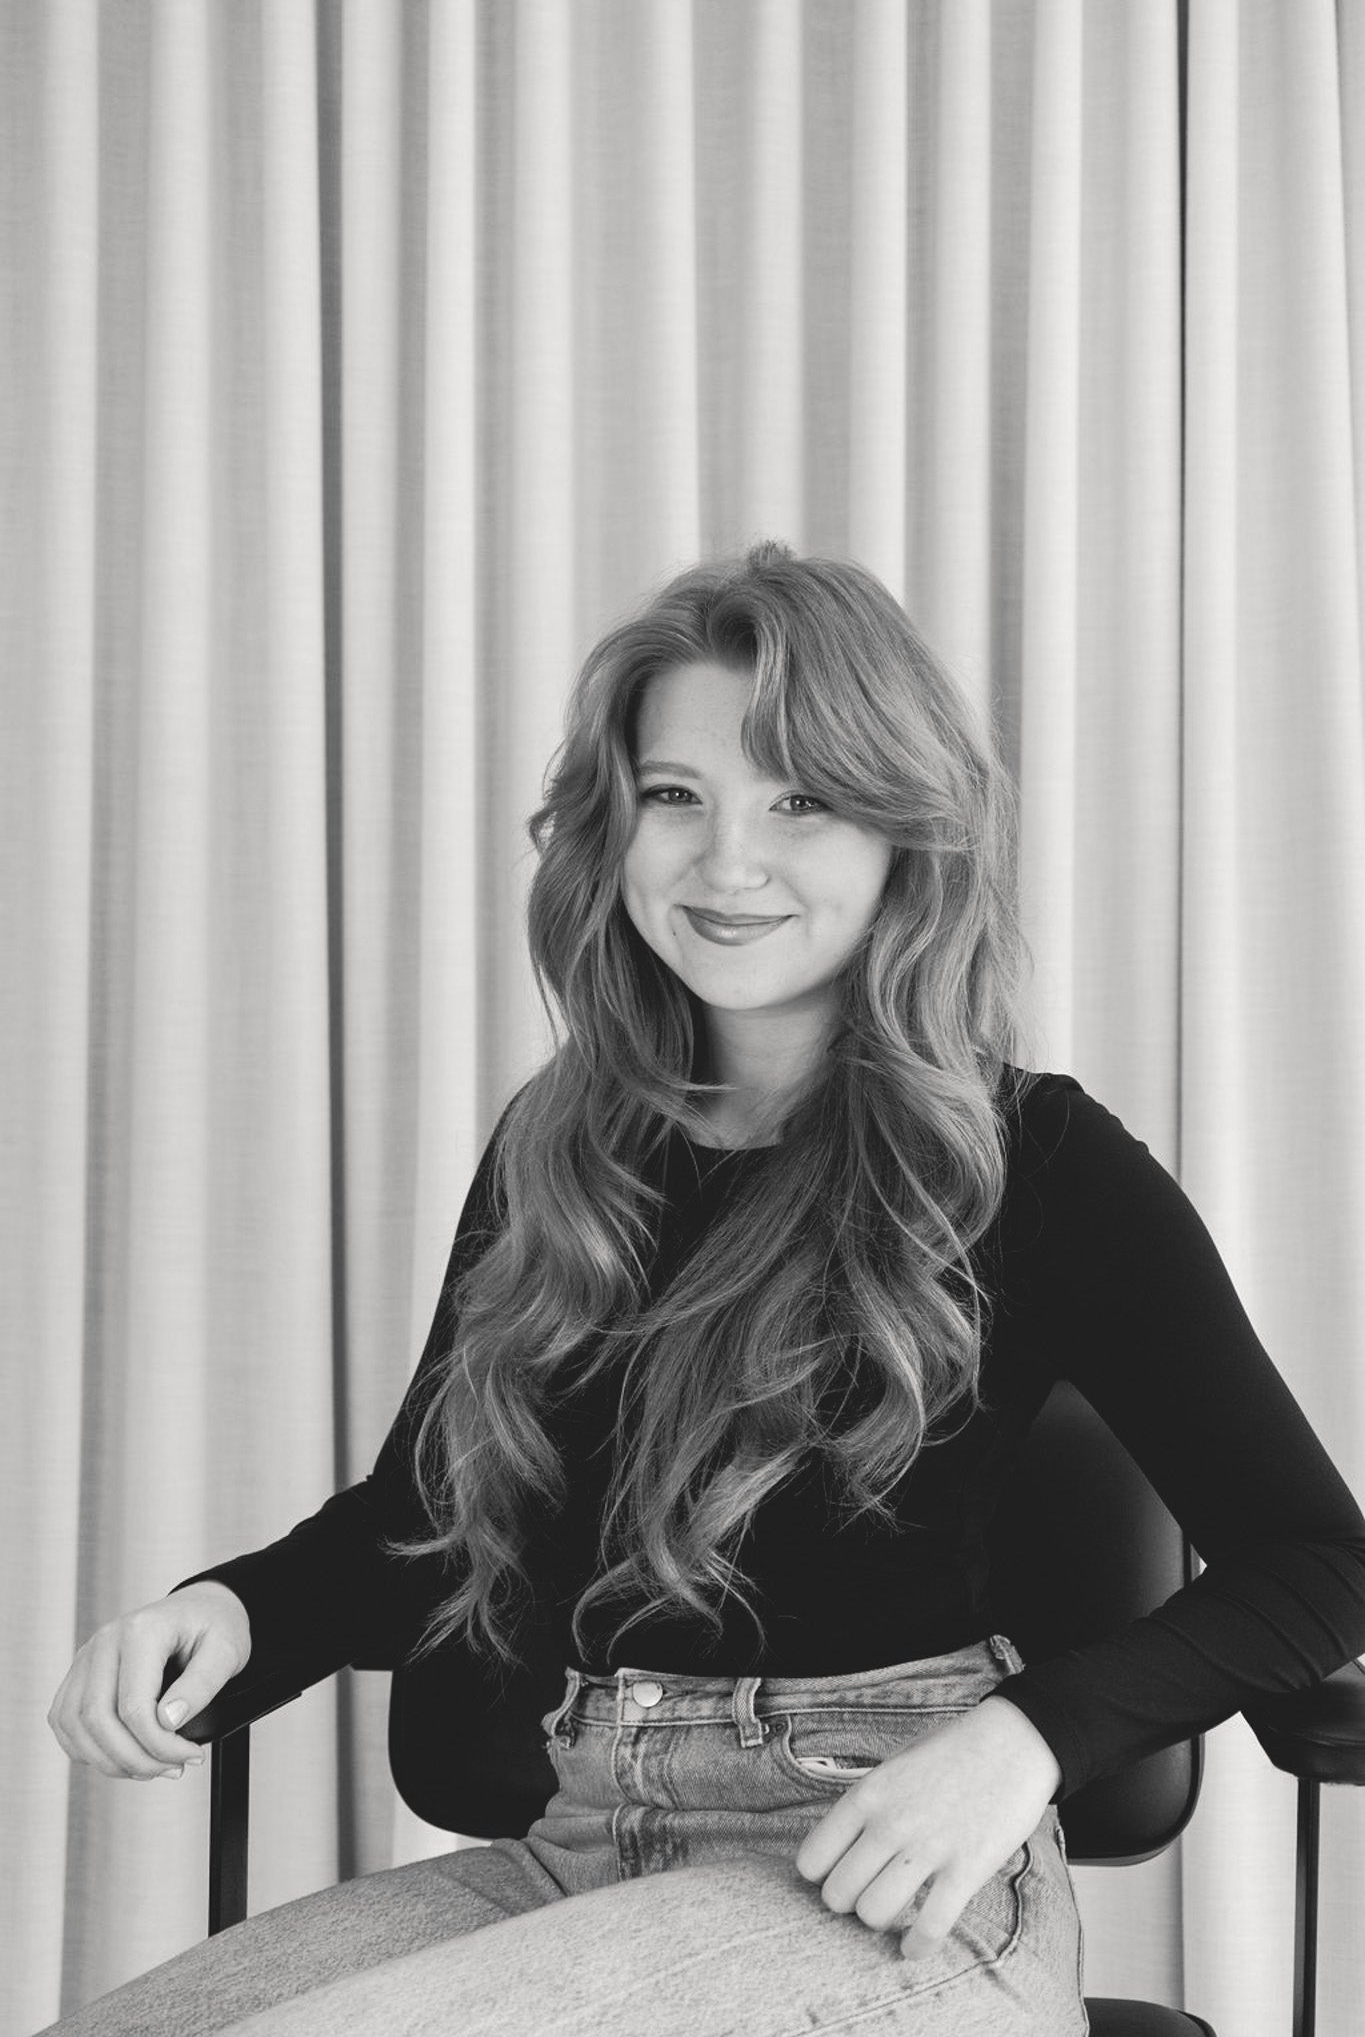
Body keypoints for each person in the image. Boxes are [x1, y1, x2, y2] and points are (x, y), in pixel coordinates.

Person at [43, 543, 1365, 2036]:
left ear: (902, 838)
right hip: (583, 1851)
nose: (725, 864)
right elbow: (438, 1525)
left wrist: (1025, 1741)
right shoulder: (561, 1146)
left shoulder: (1034, 1161)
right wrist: (238, 1610)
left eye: (799, 800)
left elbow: (1318, 1561)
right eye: (677, 798)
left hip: (896, 1897)